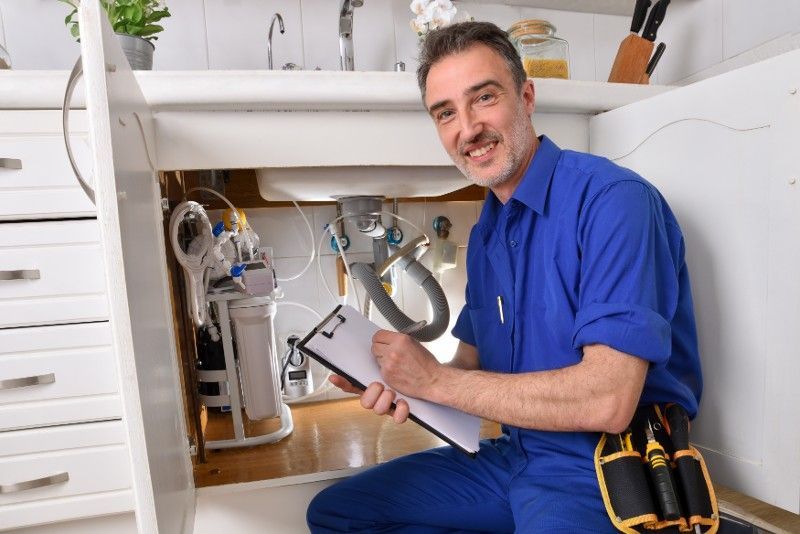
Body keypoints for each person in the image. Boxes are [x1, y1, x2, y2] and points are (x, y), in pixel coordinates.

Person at [307, 21, 702, 533]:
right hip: (516, 455)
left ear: (526, 96)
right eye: (445, 112)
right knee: (338, 515)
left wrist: (438, 382)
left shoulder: (613, 202)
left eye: (483, 98)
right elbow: (469, 368)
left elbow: (608, 400)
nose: (467, 128)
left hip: (607, 471)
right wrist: (398, 381)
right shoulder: (491, 227)